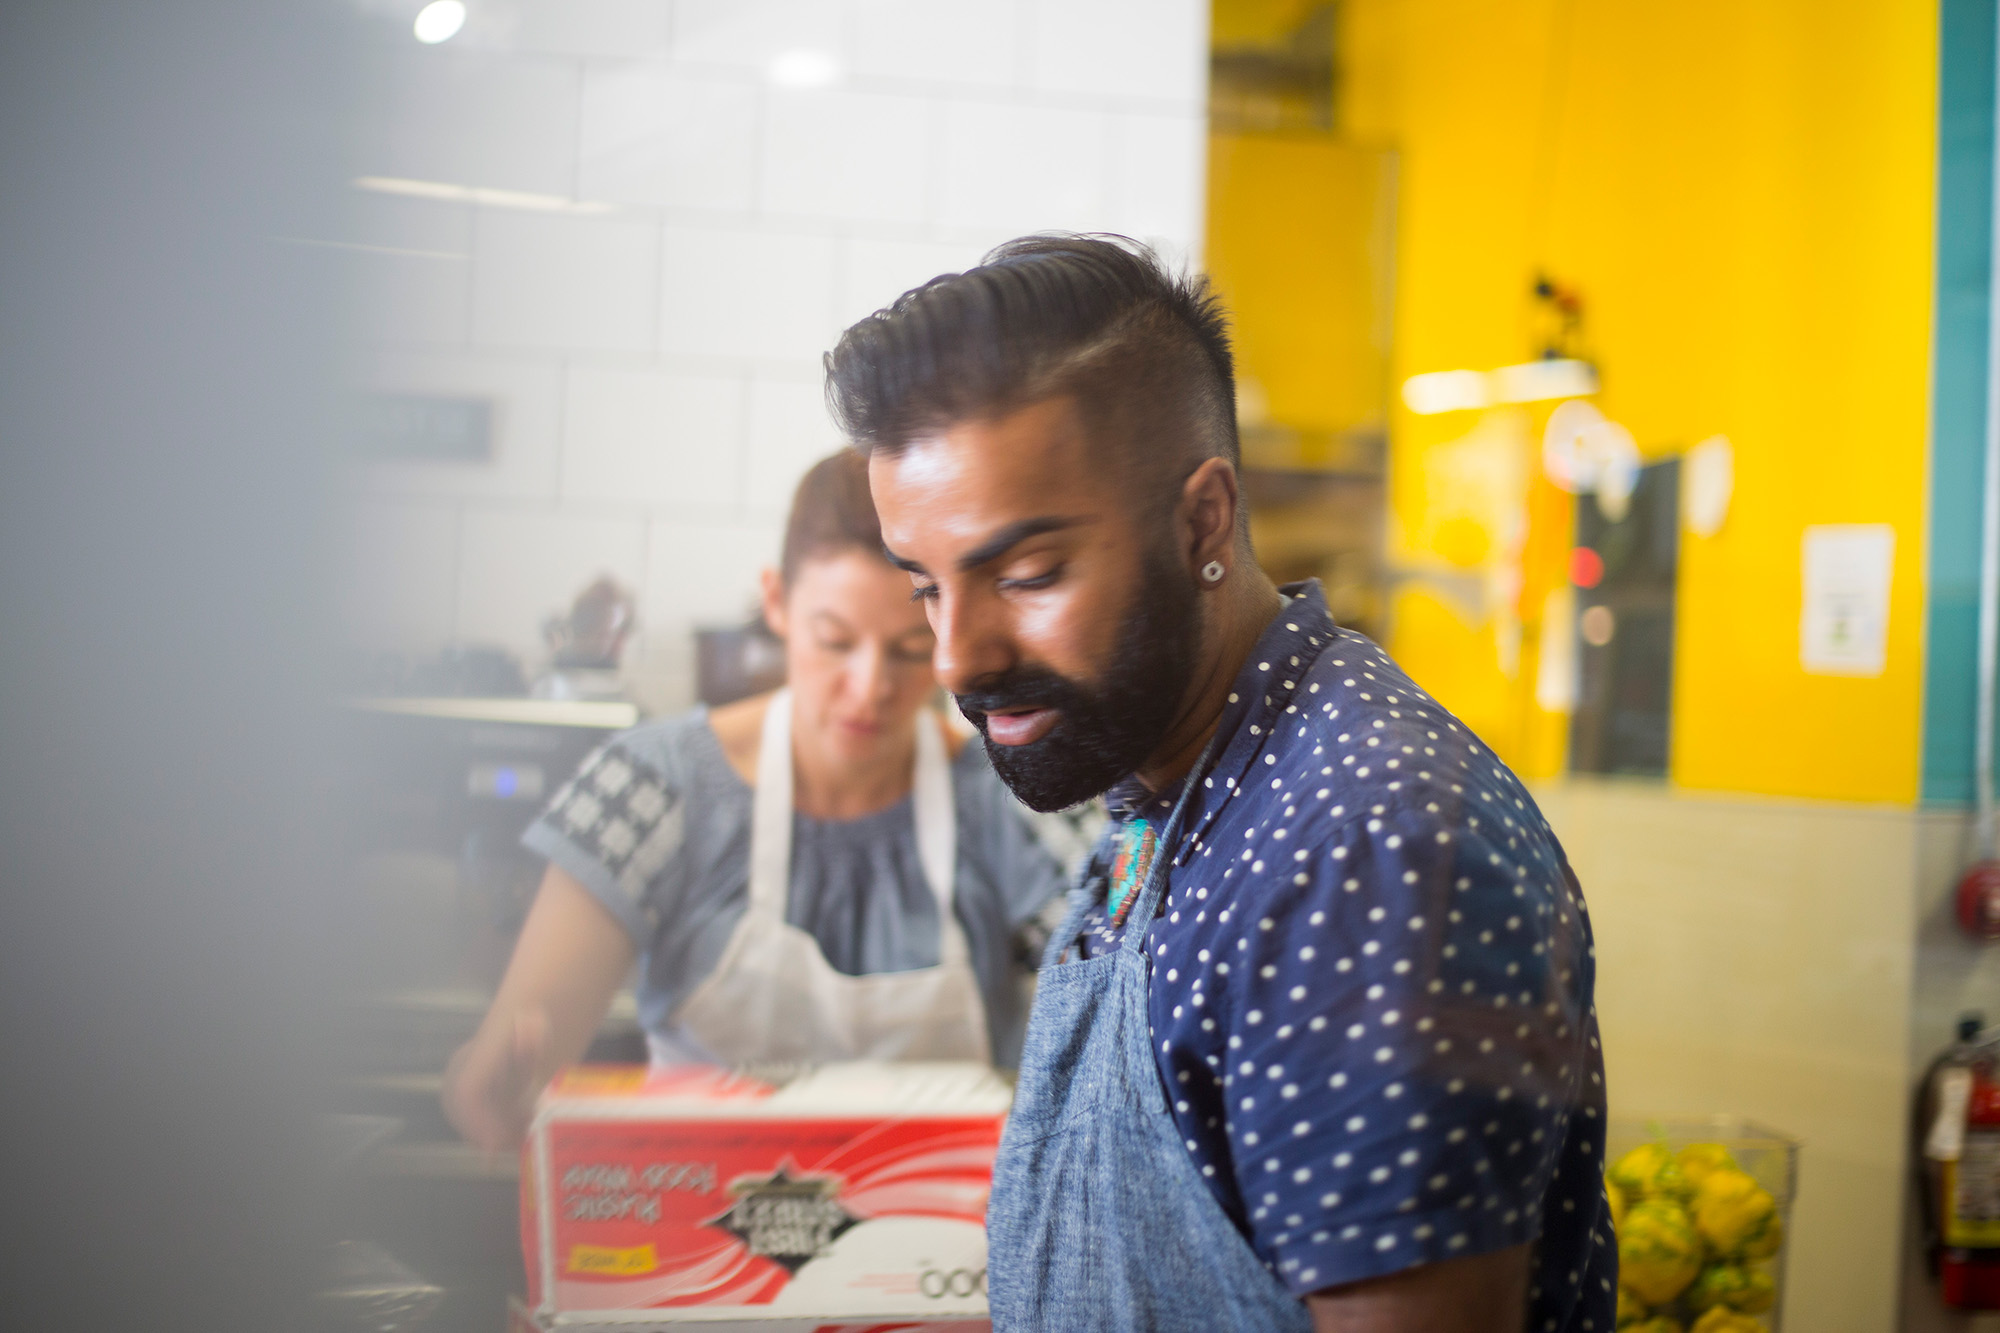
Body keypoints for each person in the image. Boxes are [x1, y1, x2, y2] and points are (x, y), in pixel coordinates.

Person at [827, 236, 1614, 1333]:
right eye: (926, 587)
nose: (956, 658)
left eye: (1025, 574)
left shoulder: (1360, 850)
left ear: (1201, 519)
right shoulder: (1170, 777)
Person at [442, 452, 1069, 1151]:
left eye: (908, 648)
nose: (868, 687)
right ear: (776, 603)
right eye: (835, 640)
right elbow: (515, 1066)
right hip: (698, 1240)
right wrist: (496, 1091)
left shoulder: (1010, 794)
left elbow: (1093, 1000)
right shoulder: (656, 784)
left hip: (944, 1246)